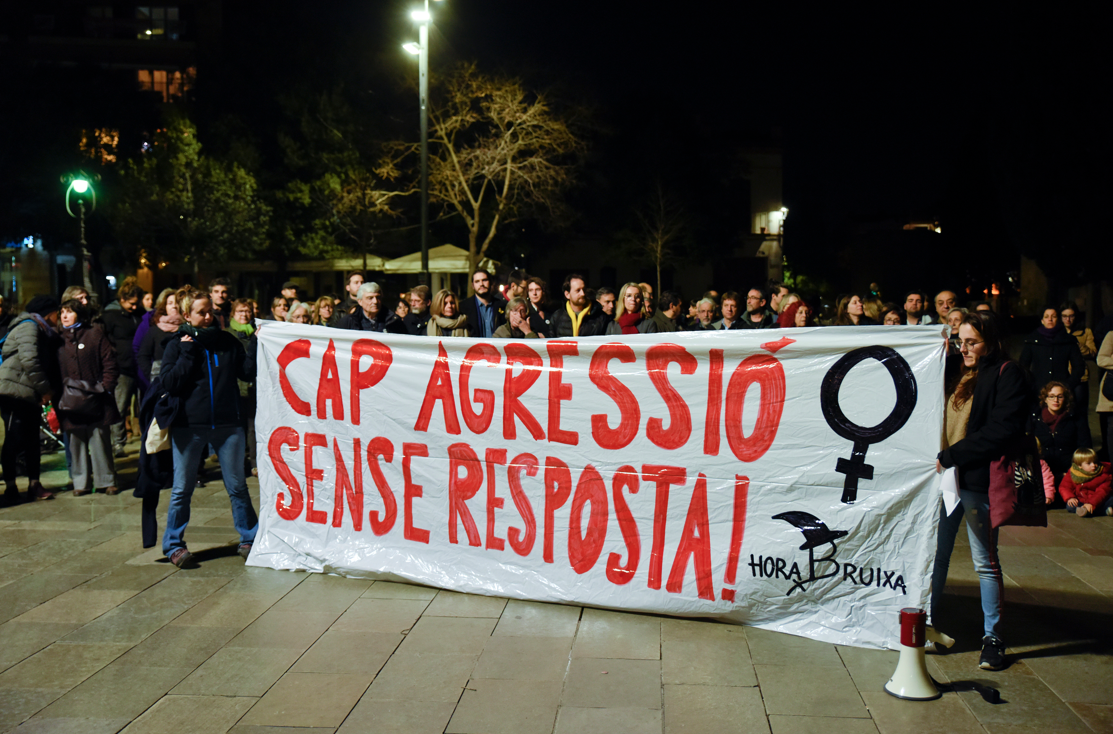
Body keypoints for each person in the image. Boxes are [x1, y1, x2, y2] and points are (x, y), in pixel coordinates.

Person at [933, 312, 1029, 671]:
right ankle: (926, 621)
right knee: (938, 554)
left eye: (971, 341)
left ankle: (994, 638)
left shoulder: (1007, 374)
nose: (964, 347)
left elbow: (1002, 430)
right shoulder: (961, 371)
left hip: (976, 480)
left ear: (991, 341)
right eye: (961, 340)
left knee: (984, 562)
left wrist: (952, 455)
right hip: (947, 479)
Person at [158, 289, 258, 568]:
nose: (207, 316)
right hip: (190, 426)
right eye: (201, 312)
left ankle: (250, 537)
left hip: (228, 425)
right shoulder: (177, 344)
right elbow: (170, 383)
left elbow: (247, 373)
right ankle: (174, 545)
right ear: (187, 315)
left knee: (237, 486)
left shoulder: (227, 341)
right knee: (182, 488)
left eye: (209, 311)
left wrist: (255, 346)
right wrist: (188, 354)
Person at [0, 296, 62, 503]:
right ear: (48, 312)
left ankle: (34, 484)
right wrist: (45, 389)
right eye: (57, 312)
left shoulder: (42, 329)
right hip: (13, 393)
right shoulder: (29, 327)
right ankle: (11, 487)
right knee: (13, 438)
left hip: (28, 392)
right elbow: (30, 361)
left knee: (31, 440)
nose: (60, 317)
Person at [56, 299, 119, 496]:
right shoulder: (58, 340)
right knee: (76, 441)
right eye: (62, 312)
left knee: (99, 439)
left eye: (69, 312)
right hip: (70, 400)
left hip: (96, 397)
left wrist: (105, 387)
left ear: (80, 315)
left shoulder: (95, 334)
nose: (64, 316)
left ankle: (106, 480)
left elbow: (110, 363)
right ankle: (80, 482)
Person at [101, 280, 145, 457]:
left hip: (140, 367)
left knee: (143, 406)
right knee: (120, 406)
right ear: (122, 299)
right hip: (122, 368)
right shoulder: (111, 316)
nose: (134, 307)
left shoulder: (140, 314)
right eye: (131, 303)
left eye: (137, 303)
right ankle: (117, 443)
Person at [1028, 381, 1092, 485]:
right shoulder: (1036, 420)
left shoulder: (1075, 419)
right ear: (1045, 399)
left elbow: (1085, 447)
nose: (1055, 400)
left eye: (1060, 396)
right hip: (1043, 474)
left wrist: (1073, 471)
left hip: (1070, 472)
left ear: (1066, 399)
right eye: (1051, 396)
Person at [1019, 306, 1085, 392]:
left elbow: (1079, 366)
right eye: (1046, 317)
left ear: (1058, 319)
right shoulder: (1032, 340)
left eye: (1053, 316)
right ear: (1042, 321)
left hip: (1062, 389)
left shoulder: (1068, 340)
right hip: (1038, 389)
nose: (1050, 319)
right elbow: (1023, 366)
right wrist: (1031, 384)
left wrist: (1067, 385)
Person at [227, 298, 257, 476]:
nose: (244, 315)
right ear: (233, 314)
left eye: (247, 311)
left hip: (253, 387)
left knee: (253, 427)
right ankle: (237, 463)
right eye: (240, 311)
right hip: (235, 388)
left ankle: (254, 463)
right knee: (237, 428)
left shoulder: (256, 334)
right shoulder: (228, 334)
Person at [137, 289, 184, 386]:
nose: (174, 306)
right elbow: (143, 355)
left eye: (177, 303)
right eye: (170, 303)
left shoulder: (188, 328)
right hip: (160, 383)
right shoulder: (155, 330)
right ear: (164, 307)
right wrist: (153, 376)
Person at [1060, 303, 1096, 410]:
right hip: (1060, 374)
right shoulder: (1056, 333)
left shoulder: (1085, 332)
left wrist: (1077, 345)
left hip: (1079, 376)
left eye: (1071, 316)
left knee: (1079, 409)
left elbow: (1092, 352)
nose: (1068, 319)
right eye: (1065, 316)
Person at [1057, 449, 1111, 517]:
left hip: (1098, 501)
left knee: (1110, 500)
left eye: (1095, 462)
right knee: (1070, 506)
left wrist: (1091, 503)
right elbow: (1064, 486)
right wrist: (1070, 497)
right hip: (1081, 500)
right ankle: (1095, 511)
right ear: (1079, 465)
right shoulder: (1072, 473)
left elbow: (1102, 492)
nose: (1093, 465)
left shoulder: (1103, 475)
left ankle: (1094, 511)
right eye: (1089, 463)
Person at [339, 282, 408, 333]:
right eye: (370, 298)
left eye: (378, 297)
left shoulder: (394, 321)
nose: (375, 301)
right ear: (360, 301)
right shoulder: (348, 322)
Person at [460, 269, 507, 340]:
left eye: (484, 280)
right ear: (473, 285)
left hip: (497, 349)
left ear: (491, 282)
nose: (481, 284)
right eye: (477, 281)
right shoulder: (463, 307)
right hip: (473, 349)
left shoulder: (502, 306)